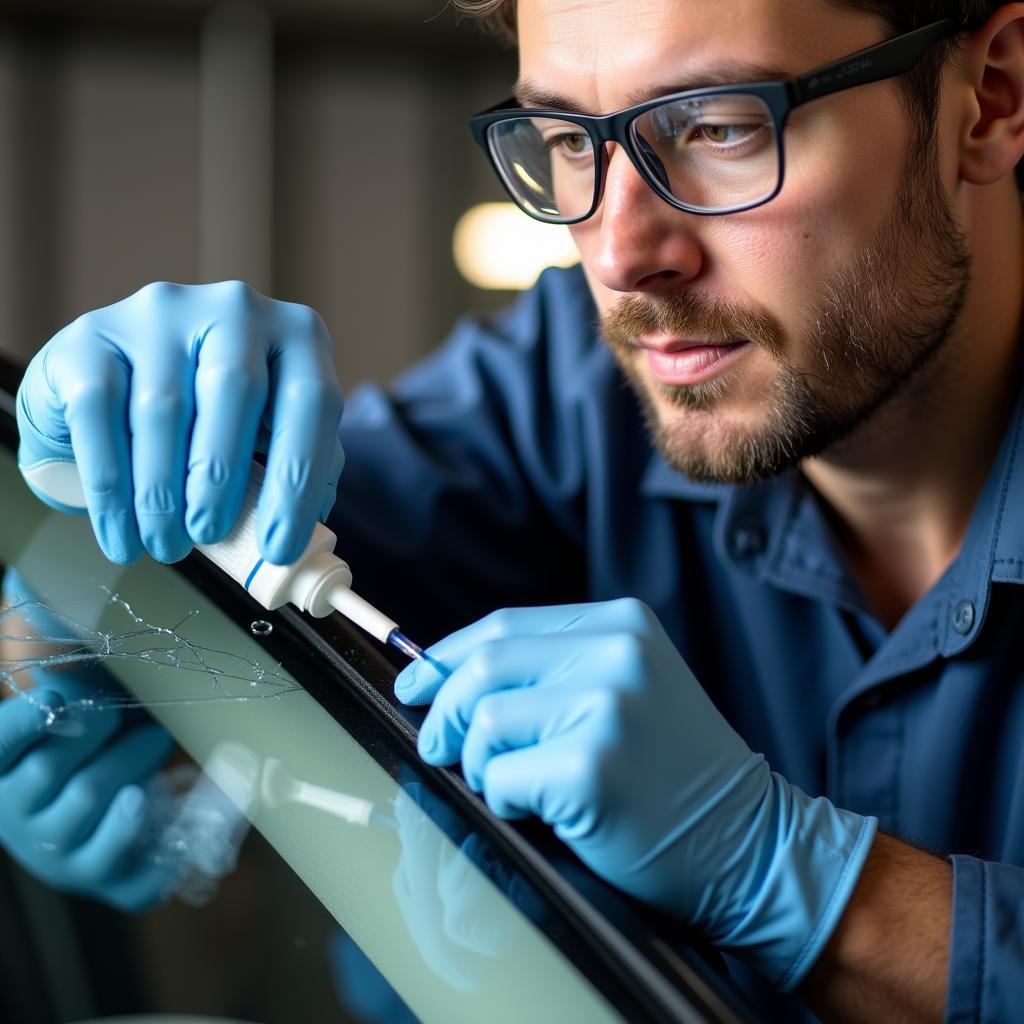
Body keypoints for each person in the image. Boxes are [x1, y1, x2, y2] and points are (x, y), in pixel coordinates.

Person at [6, 0, 1024, 1019]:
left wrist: (800, 883)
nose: (620, 253)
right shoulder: (568, 389)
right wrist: (69, 576)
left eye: (720, 125)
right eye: (565, 140)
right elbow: (212, 575)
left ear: (986, 99)